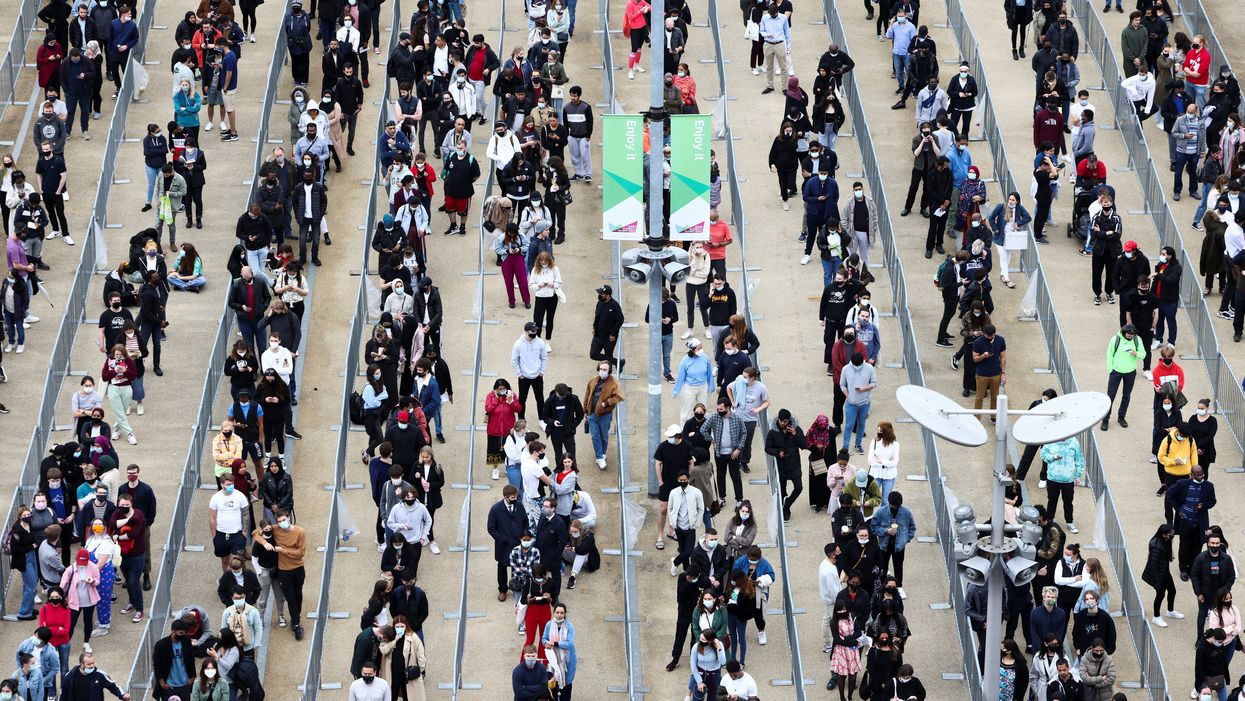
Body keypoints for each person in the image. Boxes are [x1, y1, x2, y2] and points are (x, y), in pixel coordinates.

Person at [765, 409, 806, 522]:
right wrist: (778, 453)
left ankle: (787, 504)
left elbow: (804, 445)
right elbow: (768, 448)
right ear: (778, 419)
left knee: (799, 487)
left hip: (794, 464)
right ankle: (785, 511)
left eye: (785, 421)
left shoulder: (796, 429)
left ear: (789, 420)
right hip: (781, 465)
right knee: (782, 490)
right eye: (781, 421)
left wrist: (795, 434)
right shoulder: (773, 432)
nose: (783, 423)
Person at [584, 360, 623, 470]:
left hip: (605, 415)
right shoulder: (593, 380)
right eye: (600, 369)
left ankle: (602, 452)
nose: (602, 371)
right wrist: (585, 411)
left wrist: (606, 403)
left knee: (604, 436)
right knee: (595, 436)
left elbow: (619, 397)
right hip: (592, 414)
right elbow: (587, 395)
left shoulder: (614, 383)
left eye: (605, 369)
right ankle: (599, 457)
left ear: (609, 371)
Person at [61, 651, 129, 700]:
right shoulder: (70, 676)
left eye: (93, 663)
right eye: (89, 664)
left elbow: (112, 685)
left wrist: (122, 695)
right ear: (81, 665)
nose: (92, 666)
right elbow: (63, 694)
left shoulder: (99, 675)